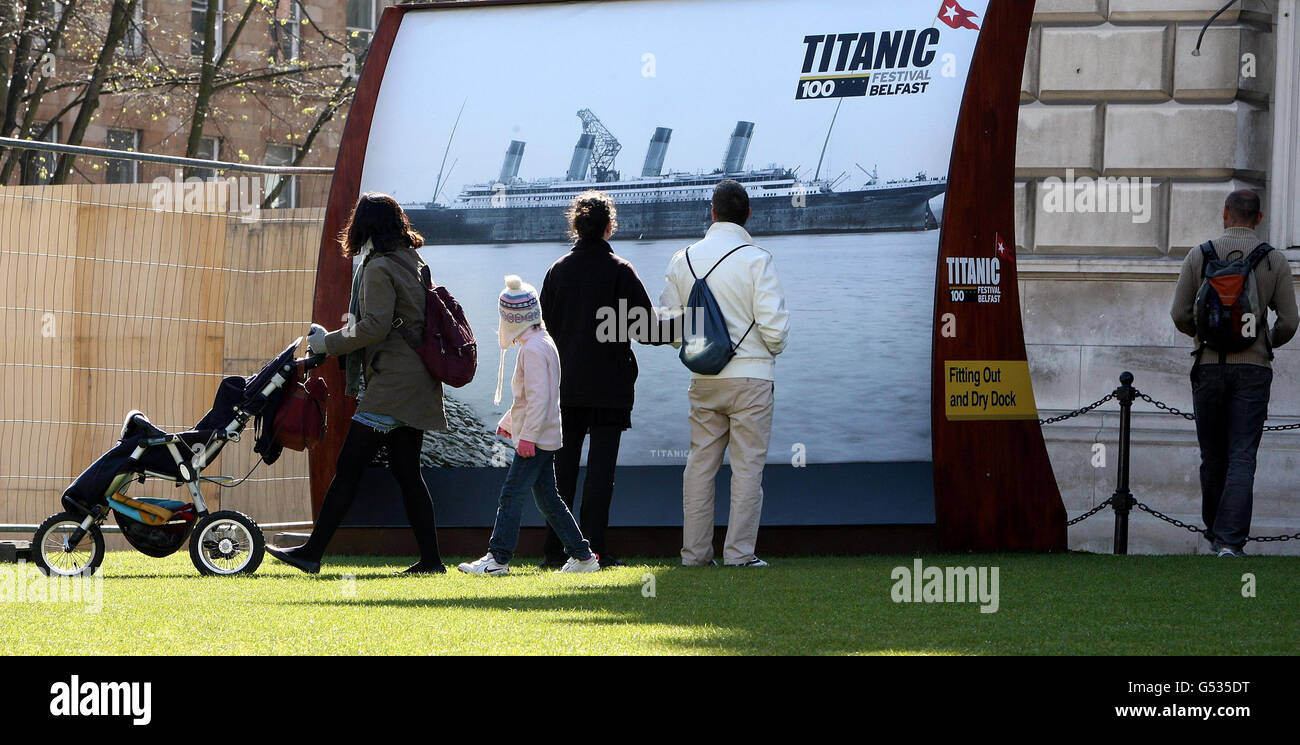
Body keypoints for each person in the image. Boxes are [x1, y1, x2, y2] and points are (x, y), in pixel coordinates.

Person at [267, 193, 446, 574]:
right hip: (417, 379)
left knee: (348, 467)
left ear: (363, 224)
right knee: (407, 471)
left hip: (393, 385)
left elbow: (373, 327)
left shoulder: (380, 266)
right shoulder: (412, 260)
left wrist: (325, 343)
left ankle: (311, 554)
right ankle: (432, 561)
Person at [659, 179, 790, 567]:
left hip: (704, 379)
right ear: (748, 214)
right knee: (747, 468)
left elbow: (667, 325)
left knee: (700, 465)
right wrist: (766, 354)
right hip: (752, 378)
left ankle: (695, 554)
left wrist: (697, 349)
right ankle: (739, 554)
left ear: (712, 213)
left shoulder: (682, 258)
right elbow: (775, 330)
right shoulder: (757, 258)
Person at [538, 191, 665, 569]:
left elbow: (542, 330)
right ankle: (593, 552)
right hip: (610, 386)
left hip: (565, 386)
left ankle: (554, 552)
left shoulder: (557, 270)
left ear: (575, 225)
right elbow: (647, 330)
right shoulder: (621, 271)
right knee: (600, 473)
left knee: (561, 475)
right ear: (610, 226)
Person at [1170, 189, 1297, 557]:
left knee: (1213, 456)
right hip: (1253, 370)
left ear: (1225, 214)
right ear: (1259, 218)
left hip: (1208, 367)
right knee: (1243, 455)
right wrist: (1265, 340)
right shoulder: (1274, 260)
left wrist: (1203, 337)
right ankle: (1231, 541)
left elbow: (1179, 314)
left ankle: (1213, 534)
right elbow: (1290, 320)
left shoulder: (1200, 254)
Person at [458, 275, 600, 575]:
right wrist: (511, 423)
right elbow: (534, 397)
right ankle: (584, 557)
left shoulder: (532, 350)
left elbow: (540, 398)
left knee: (511, 494)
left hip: (535, 441)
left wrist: (527, 438)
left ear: (511, 319)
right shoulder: (541, 342)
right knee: (549, 499)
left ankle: (498, 558)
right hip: (542, 436)